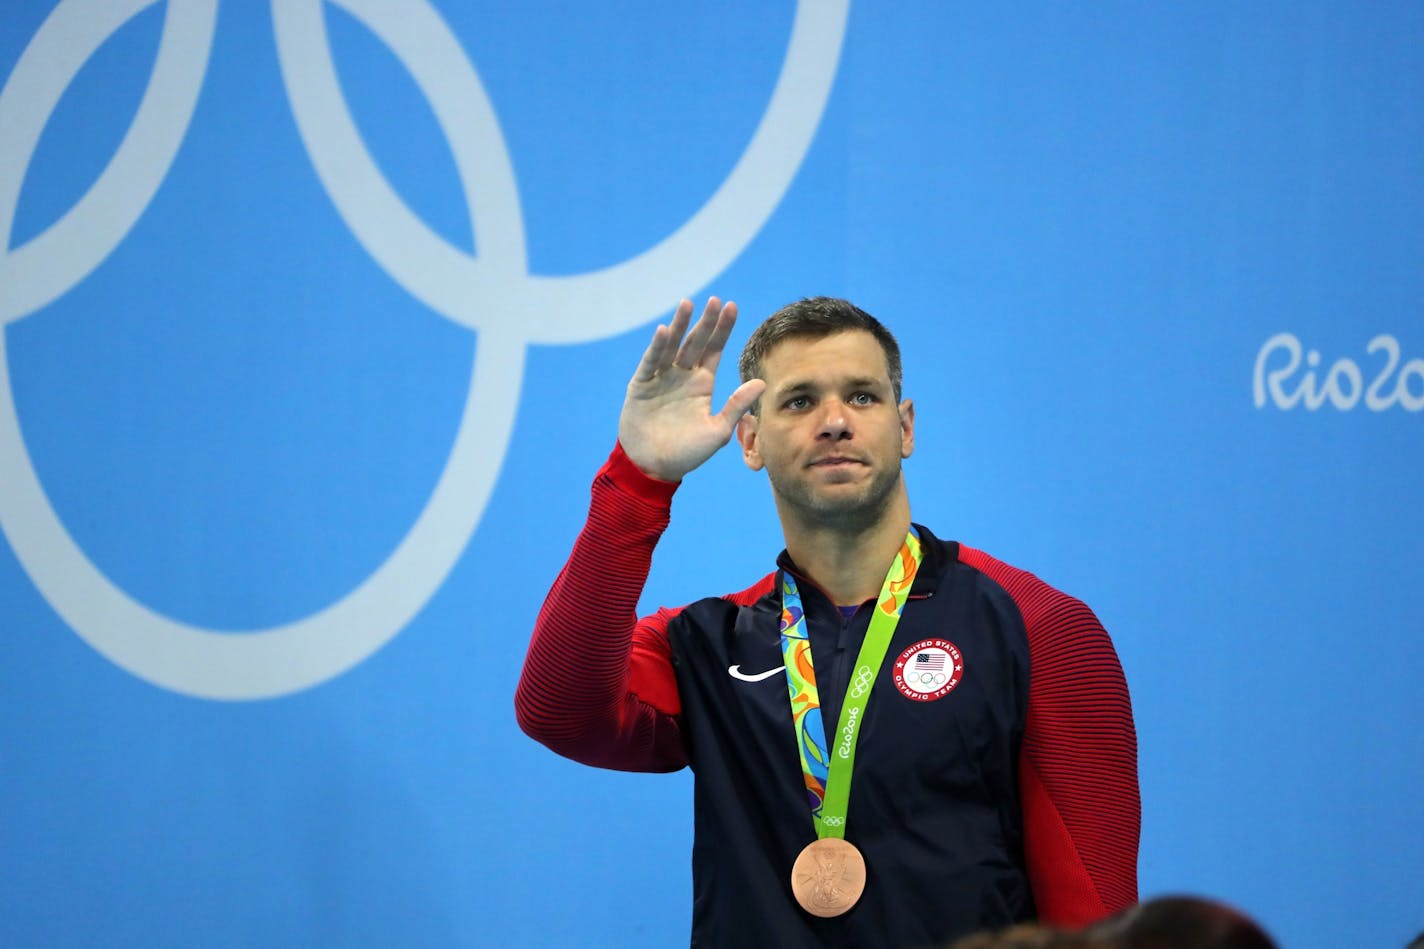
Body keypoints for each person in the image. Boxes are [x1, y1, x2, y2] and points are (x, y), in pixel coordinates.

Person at [516, 296, 1140, 946]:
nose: (835, 421)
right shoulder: (703, 645)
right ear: (750, 440)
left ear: (906, 427)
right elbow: (558, 711)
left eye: (863, 396)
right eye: (799, 400)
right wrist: (638, 479)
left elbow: (1095, 921)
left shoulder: (1035, 625)